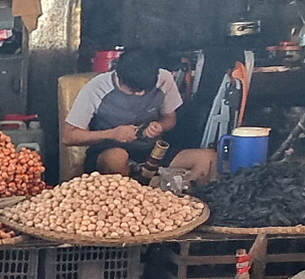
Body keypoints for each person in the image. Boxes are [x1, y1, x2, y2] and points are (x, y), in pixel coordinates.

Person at [62, 48, 217, 182]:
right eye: (134, 91)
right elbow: (69, 137)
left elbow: (170, 119)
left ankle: (186, 205)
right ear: (118, 76)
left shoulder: (164, 79)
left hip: (151, 152)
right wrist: (112, 134)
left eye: (146, 89)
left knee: (207, 158)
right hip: (109, 151)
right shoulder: (96, 88)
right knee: (117, 157)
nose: (141, 94)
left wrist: (159, 126)